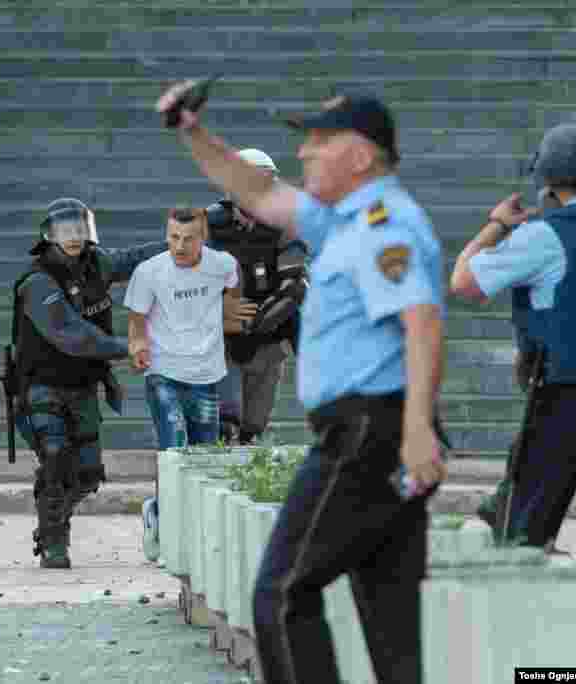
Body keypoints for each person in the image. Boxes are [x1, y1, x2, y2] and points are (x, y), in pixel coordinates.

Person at [156, 84, 447, 683]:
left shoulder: (384, 225)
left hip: (370, 431)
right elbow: (254, 188)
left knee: (282, 596)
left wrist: (418, 430)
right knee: (388, 620)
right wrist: (192, 131)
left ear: (361, 156)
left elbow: (422, 321)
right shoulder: (339, 218)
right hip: (375, 429)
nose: (306, 152)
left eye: (319, 140)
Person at [449, 123, 576, 572]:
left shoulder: (545, 235)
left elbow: (464, 281)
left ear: (551, 181)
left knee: (520, 536)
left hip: (563, 403)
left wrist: (496, 226)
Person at [11, 197, 166, 569]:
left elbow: (134, 258)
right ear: (50, 235)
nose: (75, 236)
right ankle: (53, 539)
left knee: (88, 474)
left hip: (82, 384)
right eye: (66, 230)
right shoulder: (37, 281)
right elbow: (71, 334)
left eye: (80, 228)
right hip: (42, 385)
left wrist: (197, 235)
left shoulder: (98, 264)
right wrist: (126, 347)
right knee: (55, 458)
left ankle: (55, 516)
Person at [124, 206, 242, 562]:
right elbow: (136, 319)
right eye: (173, 237)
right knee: (174, 449)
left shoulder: (222, 266)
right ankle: (168, 532)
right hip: (163, 372)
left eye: (188, 239)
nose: (179, 246)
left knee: (204, 456)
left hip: (206, 374)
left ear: (202, 238)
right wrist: (137, 344)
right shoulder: (149, 272)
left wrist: (228, 316)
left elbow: (234, 293)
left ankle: (184, 527)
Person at [207, 148, 310, 445]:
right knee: (224, 424)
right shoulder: (208, 225)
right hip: (220, 339)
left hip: (267, 333)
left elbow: (294, 285)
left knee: (254, 427)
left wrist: (258, 323)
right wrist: (216, 311)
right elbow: (183, 280)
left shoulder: (286, 225)